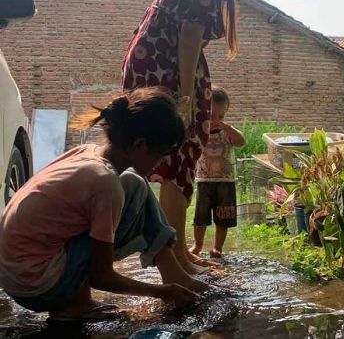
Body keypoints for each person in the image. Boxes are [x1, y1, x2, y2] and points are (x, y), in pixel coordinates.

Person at [121, 0, 278, 274]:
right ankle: (175, 253)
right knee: (181, 149)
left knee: (182, 153)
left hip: (164, 65)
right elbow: (190, 34)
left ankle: (178, 249)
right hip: (165, 69)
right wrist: (186, 95)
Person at [0, 87, 208, 322]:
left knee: (135, 183)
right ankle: (74, 305)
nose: (162, 163)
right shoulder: (105, 184)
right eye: (162, 154)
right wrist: (160, 293)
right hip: (36, 286)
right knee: (122, 191)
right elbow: (102, 276)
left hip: (13, 272)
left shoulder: (87, 153)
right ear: (140, 145)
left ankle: (172, 271)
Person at [190, 86, 245, 258]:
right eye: (212, 116)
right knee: (200, 217)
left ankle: (217, 247)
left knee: (223, 217)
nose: (216, 120)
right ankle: (197, 245)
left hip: (225, 181)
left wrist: (227, 127)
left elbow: (241, 141)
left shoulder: (227, 132)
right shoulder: (200, 132)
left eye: (221, 116)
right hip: (204, 180)